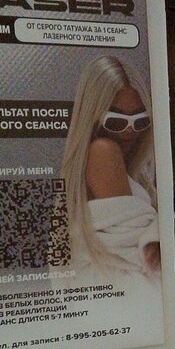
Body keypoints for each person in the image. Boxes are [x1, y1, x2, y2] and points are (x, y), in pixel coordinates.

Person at [59, 56, 160, 278]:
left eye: (140, 120)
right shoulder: (103, 151)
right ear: (93, 115)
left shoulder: (131, 169)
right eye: (116, 120)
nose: (130, 130)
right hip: (129, 289)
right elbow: (142, 260)